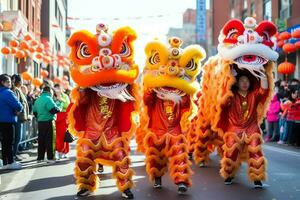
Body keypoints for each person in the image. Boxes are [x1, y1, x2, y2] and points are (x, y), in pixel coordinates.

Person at [220, 72, 269, 188]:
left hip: (251, 127)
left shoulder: (254, 94)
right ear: (237, 83)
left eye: (247, 81)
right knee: (231, 153)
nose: (245, 83)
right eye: (242, 80)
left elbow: (264, 90)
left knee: (255, 151)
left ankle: (257, 177)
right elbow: (223, 102)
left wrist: (263, 75)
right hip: (234, 128)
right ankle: (229, 174)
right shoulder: (231, 95)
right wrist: (230, 76)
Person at [0, 74, 23, 170]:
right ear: (2, 82)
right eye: (8, 81)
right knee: (8, 142)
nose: (10, 83)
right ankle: (10, 162)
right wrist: (18, 110)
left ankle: (5, 162)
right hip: (7, 121)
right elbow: (18, 106)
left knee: (4, 143)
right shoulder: (7, 92)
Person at [33, 85, 60, 163]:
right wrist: (58, 106)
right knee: (49, 140)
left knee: (41, 140)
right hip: (49, 121)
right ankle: (50, 157)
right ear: (49, 91)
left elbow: (35, 112)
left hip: (40, 122)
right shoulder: (48, 99)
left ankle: (40, 158)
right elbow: (54, 110)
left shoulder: (38, 99)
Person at [11, 74, 29, 160]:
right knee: (17, 137)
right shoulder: (16, 90)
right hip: (17, 118)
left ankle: (15, 153)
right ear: (19, 81)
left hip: (19, 117)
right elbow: (17, 104)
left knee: (18, 137)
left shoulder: (18, 90)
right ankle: (13, 155)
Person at [53, 84, 70, 159]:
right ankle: (56, 151)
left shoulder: (65, 96)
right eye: (56, 88)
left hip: (63, 117)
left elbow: (68, 105)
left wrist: (60, 99)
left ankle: (63, 151)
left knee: (63, 135)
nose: (57, 90)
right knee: (55, 136)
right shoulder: (52, 96)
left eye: (59, 88)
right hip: (55, 117)